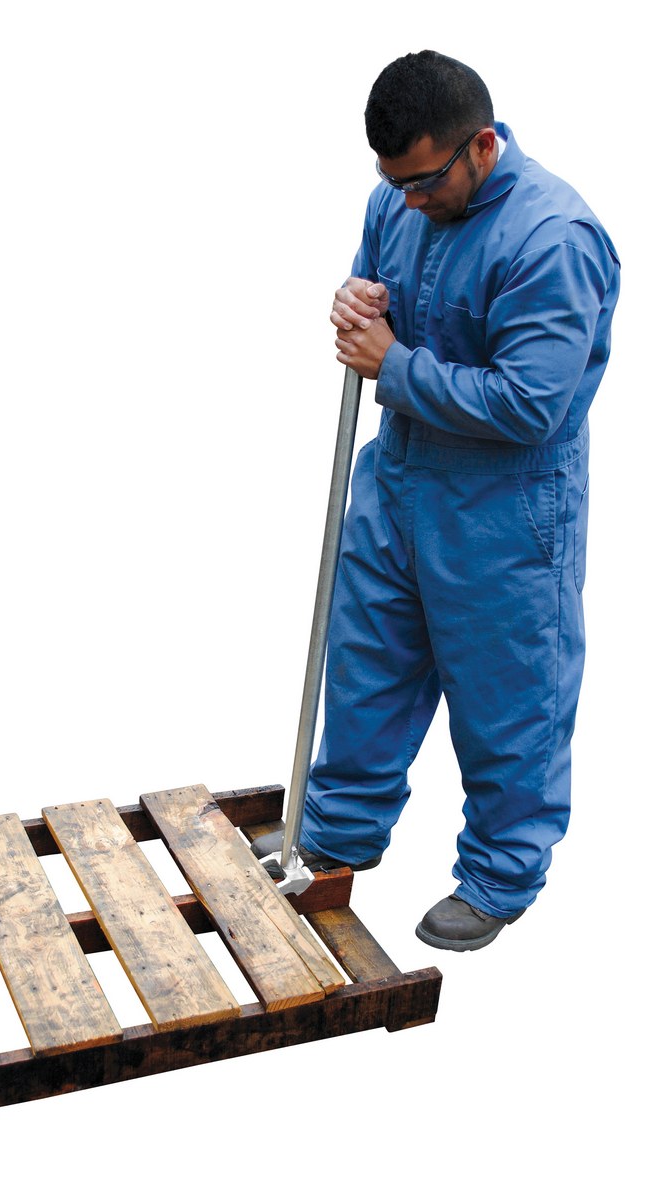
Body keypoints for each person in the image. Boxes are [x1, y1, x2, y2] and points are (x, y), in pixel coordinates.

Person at [253, 50, 620, 951]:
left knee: (507, 696)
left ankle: (500, 875)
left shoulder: (553, 239)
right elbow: (373, 296)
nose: (407, 203)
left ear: (481, 146)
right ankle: (339, 830)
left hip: (504, 506)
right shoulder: (397, 199)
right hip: (400, 477)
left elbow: (530, 406)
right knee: (367, 663)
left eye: (423, 182)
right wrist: (353, 303)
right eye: (394, 184)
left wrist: (393, 362)